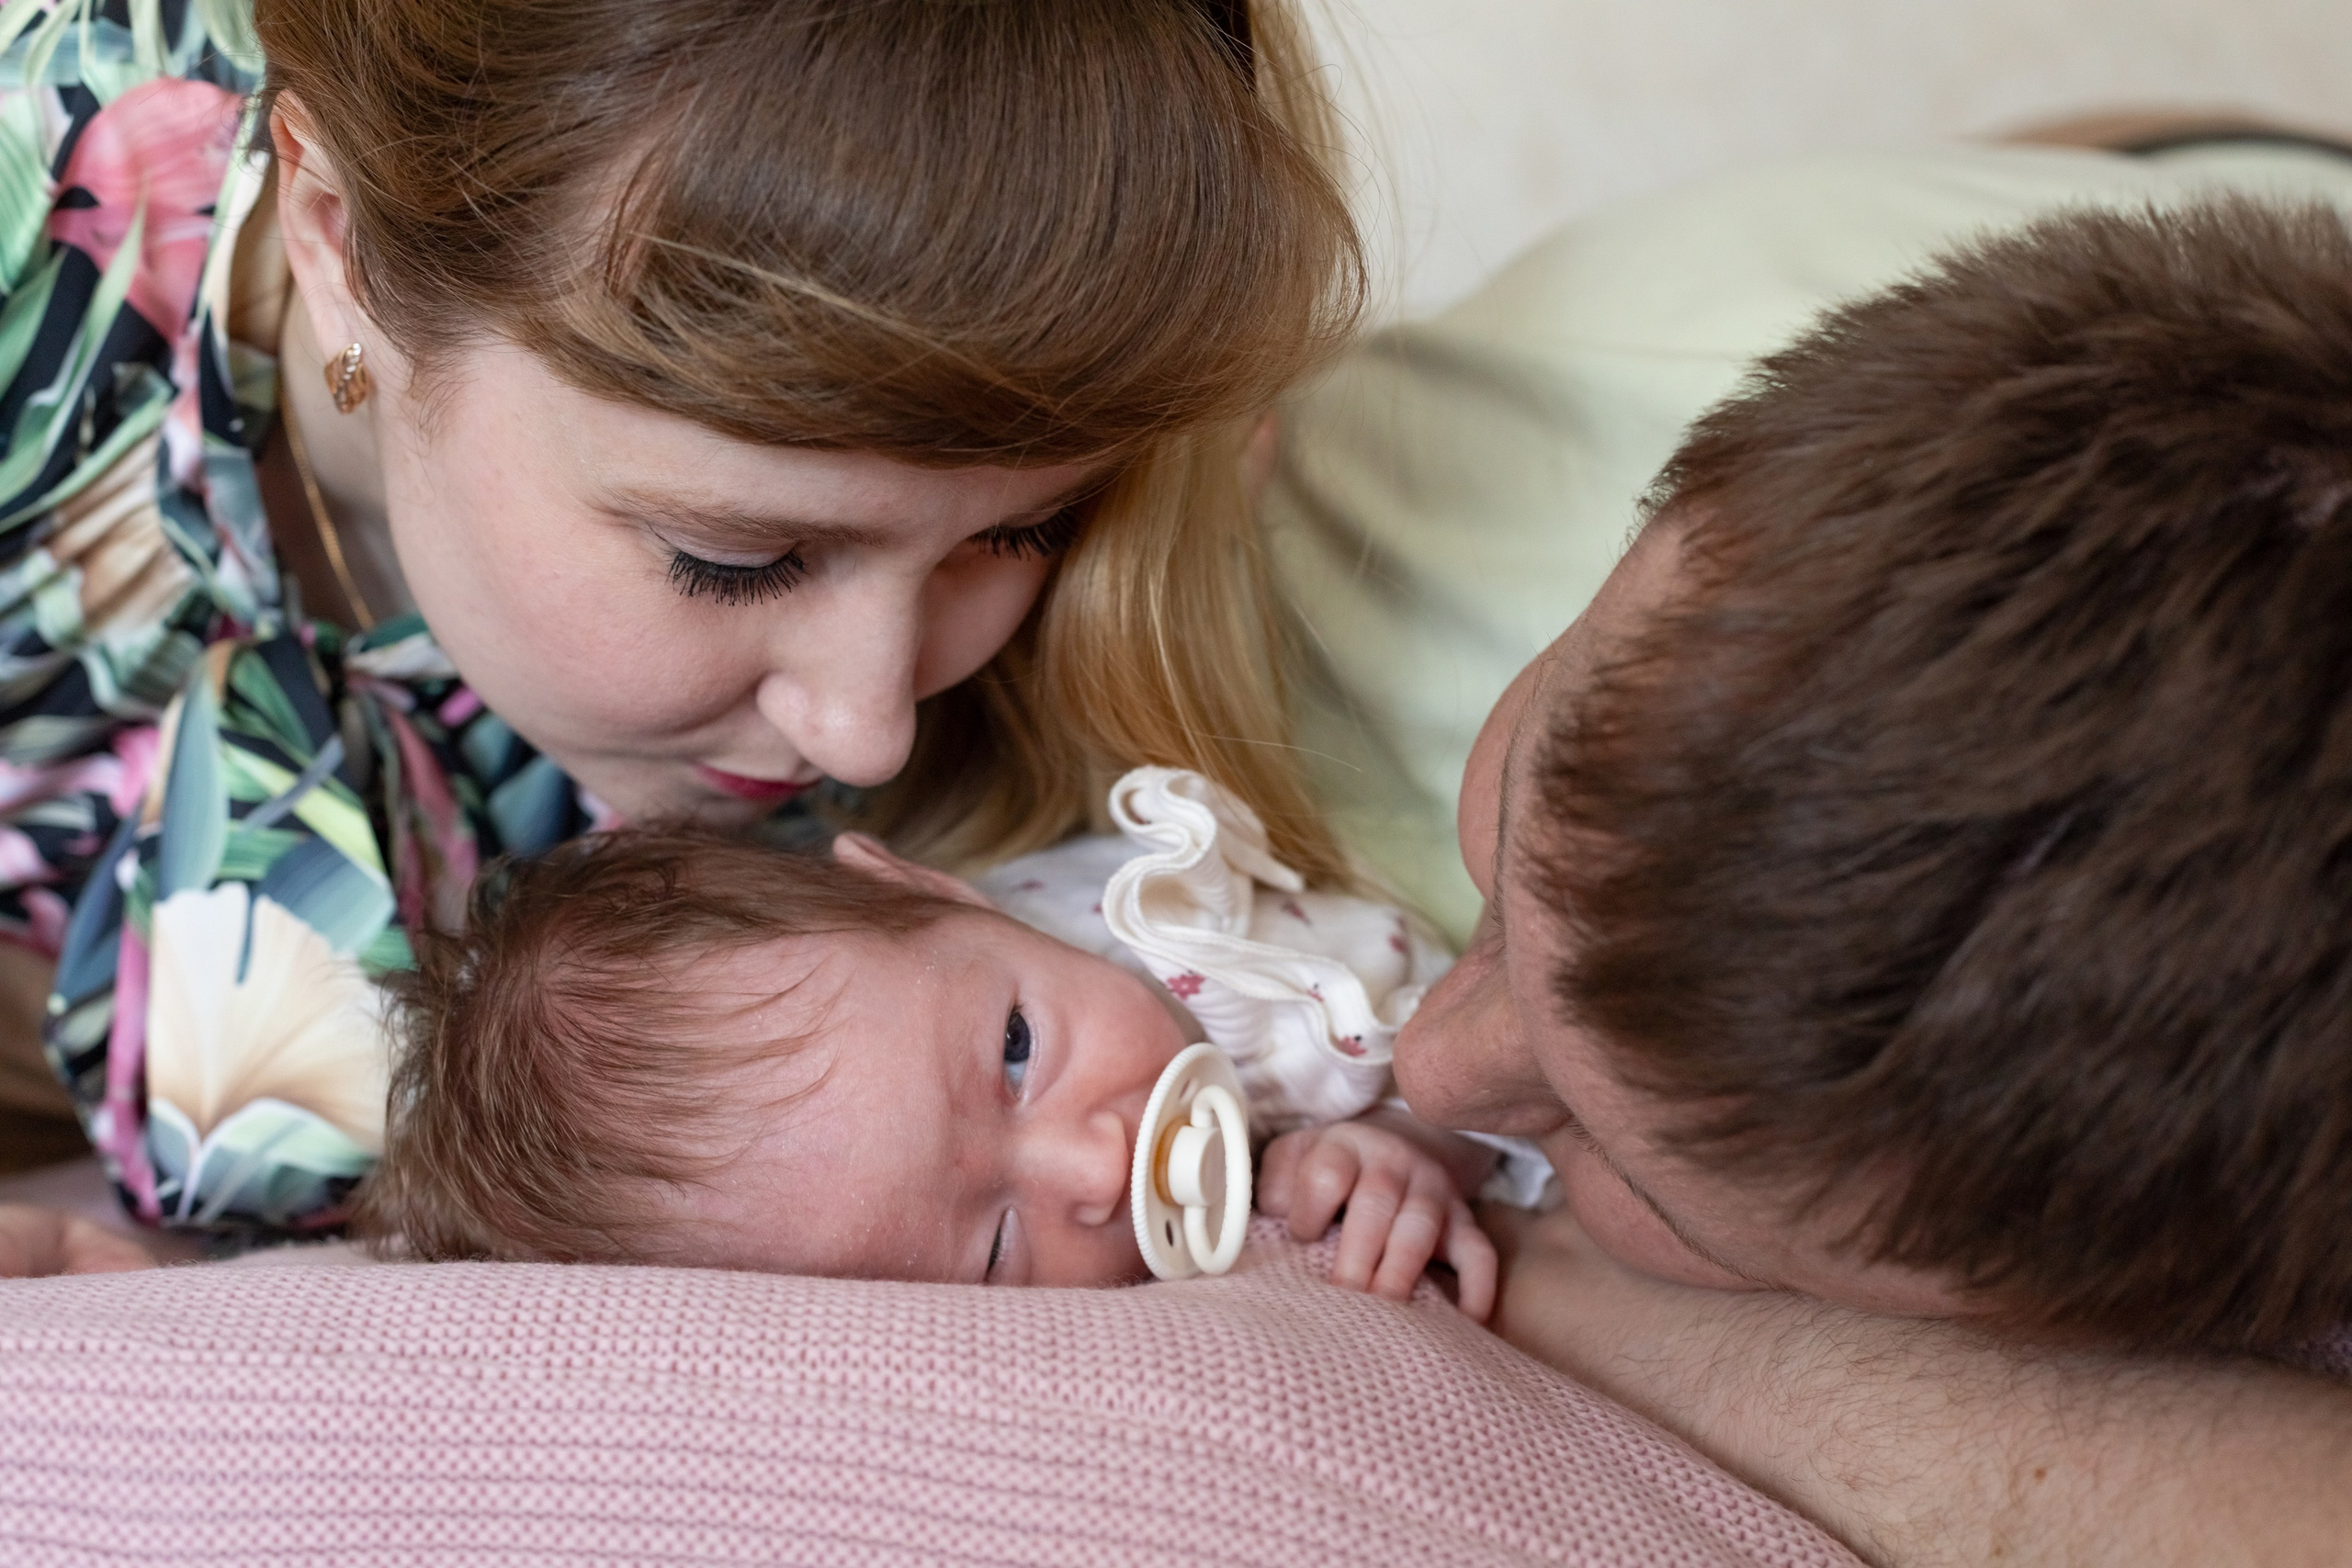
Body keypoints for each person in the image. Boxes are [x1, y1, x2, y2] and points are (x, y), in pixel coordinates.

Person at [0, 0, 1364, 1237]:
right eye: (737, 556)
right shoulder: (48, 233)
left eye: (1020, 531)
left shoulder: (1058, 690)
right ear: (335, 240)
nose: (870, 730)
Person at [1377, 197, 2352, 1562]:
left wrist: (1544, 1278)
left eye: (1650, 1190)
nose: (1425, 1068)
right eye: (1525, 782)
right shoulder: (1459, 436)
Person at [350, 770, 1515, 1312]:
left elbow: (1491, 1035)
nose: (1097, 1167)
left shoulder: (1210, 950)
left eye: (1015, 1051)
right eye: (998, 1248)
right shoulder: (938, 987)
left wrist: (1419, 1129)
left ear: (931, 889)